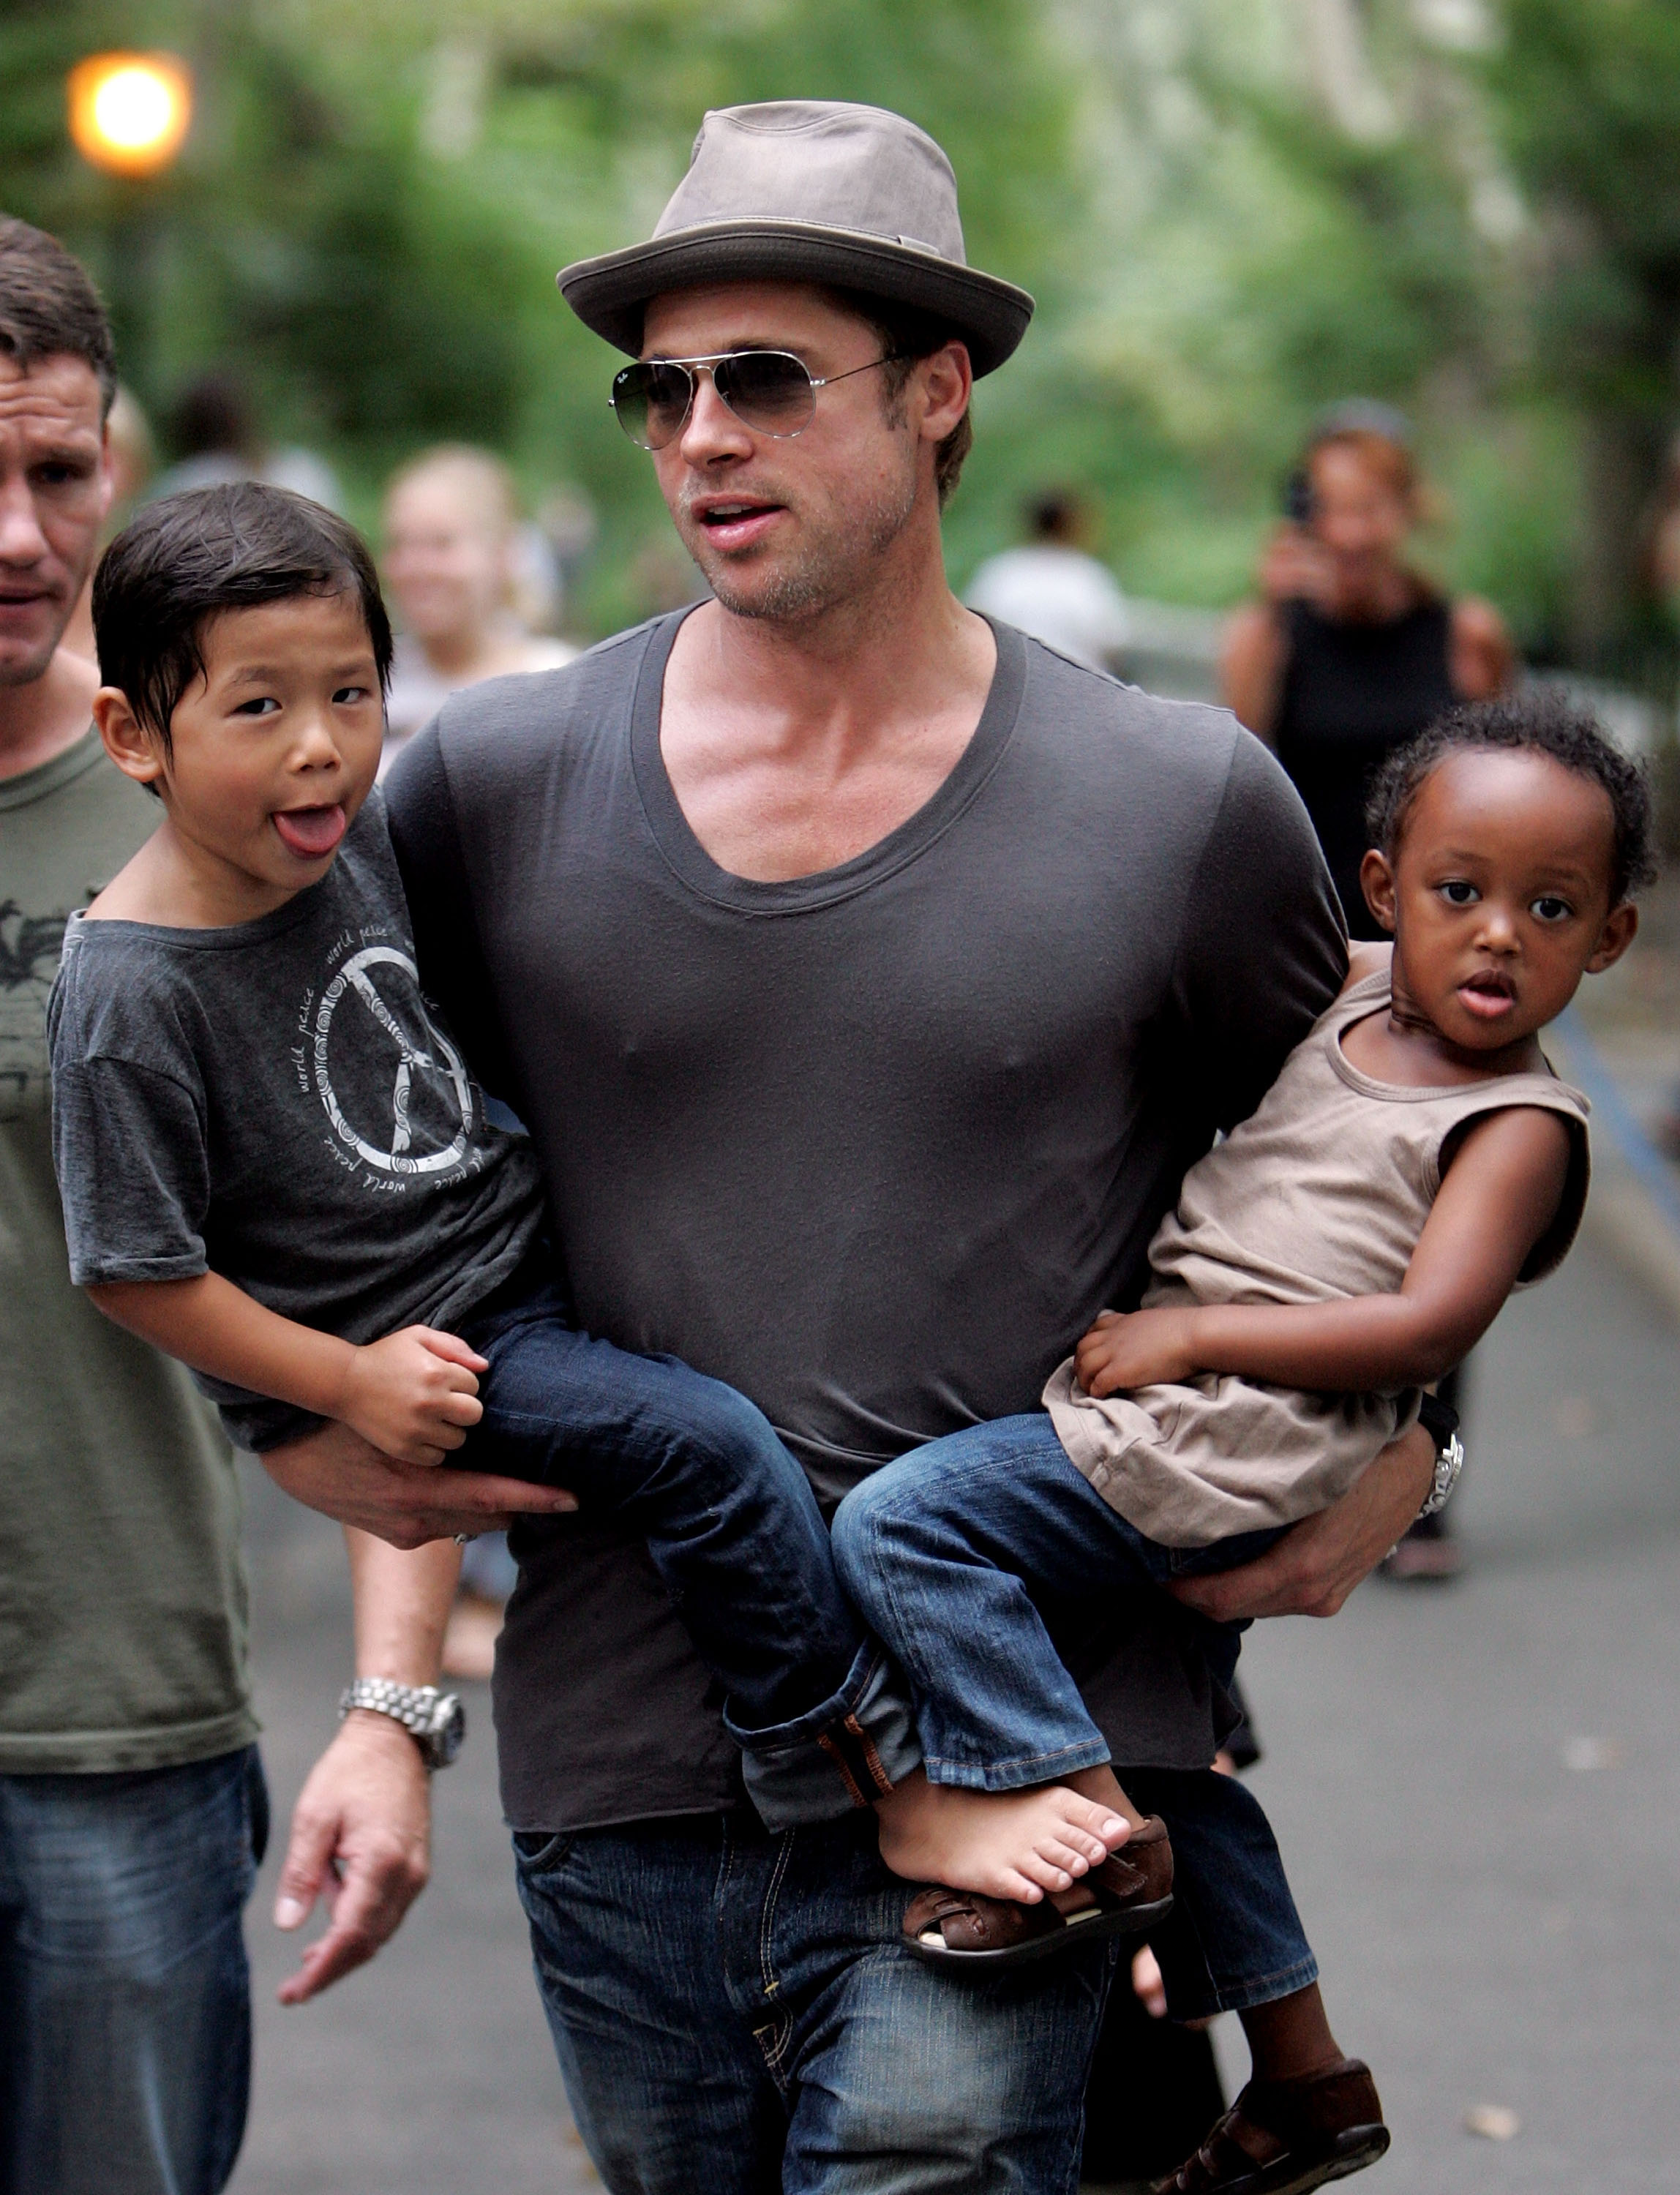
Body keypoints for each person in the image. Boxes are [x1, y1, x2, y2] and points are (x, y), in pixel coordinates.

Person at [252, 102, 1442, 2191]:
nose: (700, 434)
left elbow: (1390, 1161)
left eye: (766, 379)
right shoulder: (496, 785)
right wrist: (390, 1702)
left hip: (1028, 1772)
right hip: (619, 1756)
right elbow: (398, 1261)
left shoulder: (1179, 801)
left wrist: (1416, 1454)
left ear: (939, 395)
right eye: (661, 387)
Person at [53, 479, 941, 1853]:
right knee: (705, 1451)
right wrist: (347, 1386)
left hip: (521, 1243)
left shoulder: (351, 852)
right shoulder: (129, 989)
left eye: (351, 694)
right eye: (257, 708)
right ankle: (836, 1757)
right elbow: (134, 1271)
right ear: (132, 736)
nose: (321, 752)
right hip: (437, 1342)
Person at [832, 692, 1647, 2189]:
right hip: (1190, 1416)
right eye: (1456, 892)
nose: (1491, 938)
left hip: (1234, 1433)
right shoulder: (1345, 994)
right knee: (1183, 1776)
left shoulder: (1515, 1121)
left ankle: (1069, 1820)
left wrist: (1192, 1334)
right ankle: (1304, 2075)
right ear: (1383, 886)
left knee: (904, 1527)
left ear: (1605, 940)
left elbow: (1420, 1329)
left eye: (1546, 909)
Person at [0, 217, 260, 2195]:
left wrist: (399, 1699)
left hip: (116, 1722)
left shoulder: (223, 811)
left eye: (57, 471)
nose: (16, 532)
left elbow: (396, 1272)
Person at [1222, 402, 1517, 1581]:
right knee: (1315, 1234)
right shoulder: (1269, 637)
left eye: (1370, 506)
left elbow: (1522, 809)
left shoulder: (1466, 638)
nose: (1348, 531)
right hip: (1308, 975)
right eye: (1327, 507)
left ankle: (1429, 1497)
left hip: (1442, 982)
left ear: (1406, 513)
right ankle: (1312, 1485)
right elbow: (1236, 810)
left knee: (1451, 1240)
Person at [379, 445, 576, 776]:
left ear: (502, 554)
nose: (415, 567)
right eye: (401, 544)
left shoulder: (555, 682)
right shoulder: (368, 686)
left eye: (442, 544)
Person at [964, 487, 1130, 669]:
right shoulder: (1085, 577)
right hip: (1076, 687)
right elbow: (1113, 643)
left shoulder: (1000, 573)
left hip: (1014, 684)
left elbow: (973, 633)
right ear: (1074, 525)